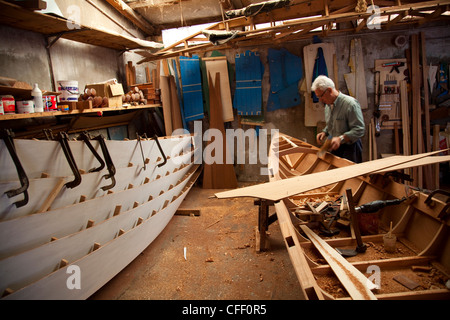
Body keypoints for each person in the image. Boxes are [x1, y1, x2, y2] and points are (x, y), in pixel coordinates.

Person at [311, 75, 365, 163]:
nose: (320, 100)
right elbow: (331, 124)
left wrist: (341, 138)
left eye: (321, 96)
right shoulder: (328, 106)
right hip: (335, 147)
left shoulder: (350, 104)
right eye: (318, 97)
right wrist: (324, 132)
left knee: (350, 175)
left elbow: (360, 129)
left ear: (329, 90)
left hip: (350, 149)